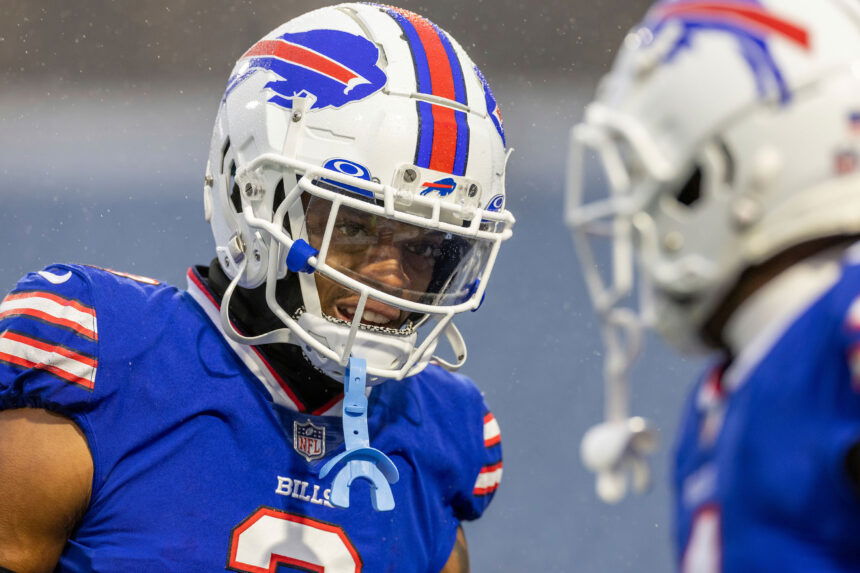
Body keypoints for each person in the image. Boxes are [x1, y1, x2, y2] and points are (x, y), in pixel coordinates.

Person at [0, 4, 513, 571]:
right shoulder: (109, 361)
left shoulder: (441, 433)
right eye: (356, 227)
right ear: (249, 195)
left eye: (424, 246)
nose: (392, 276)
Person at [567, 0, 860, 570]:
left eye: (669, 181)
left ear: (747, 164)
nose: (638, 212)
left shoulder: (845, 321)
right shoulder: (735, 382)